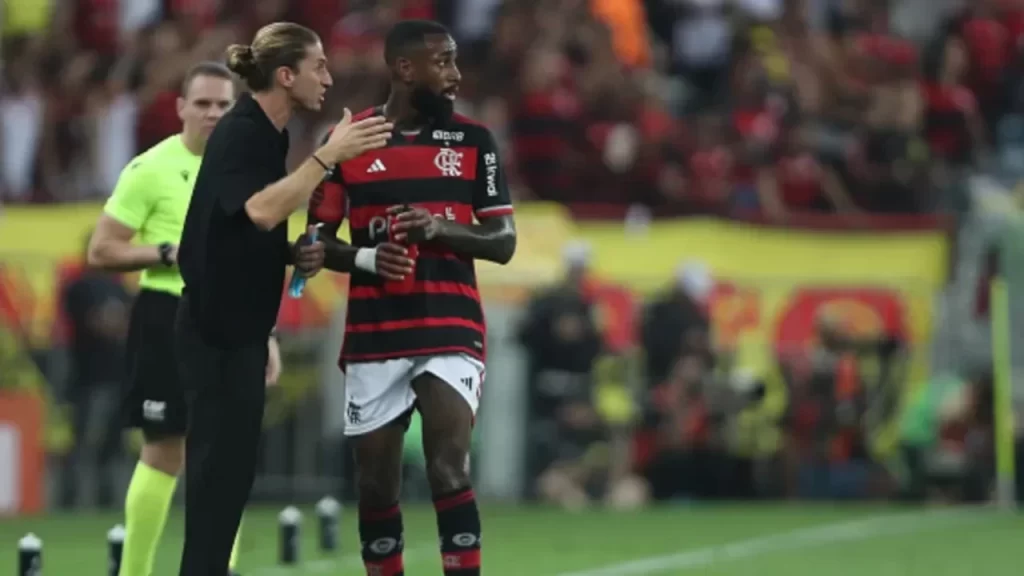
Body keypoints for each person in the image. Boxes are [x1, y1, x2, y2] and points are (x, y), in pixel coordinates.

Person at [174, 22, 392, 576]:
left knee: (228, 480)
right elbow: (259, 210)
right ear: (285, 74)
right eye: (318, 66)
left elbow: (242, 229)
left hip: (239, 331)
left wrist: (291, 255)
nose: (329, 76)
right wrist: (329, 155)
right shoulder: (243, 131)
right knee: (214, 479)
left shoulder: (268, 137)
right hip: (214, 332)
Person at [309, 20, 517, 576]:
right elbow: (316, 243)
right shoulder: (348, 141)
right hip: (375, 332)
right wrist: (367, 257)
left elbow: (503, 242)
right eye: (443, 62)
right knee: (376, 486)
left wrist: (439, 229)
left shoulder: (474, 141)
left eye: (454, 62)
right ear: (405, 69)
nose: (455, 74)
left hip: (451, 326)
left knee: (449, 469)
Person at [86, 62, 252, 576]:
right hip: (166, 311)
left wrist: (261, 333)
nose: (213, 113)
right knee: (164, 449)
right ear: (181, 108)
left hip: (228, 319)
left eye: (223, 105)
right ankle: (135, 570)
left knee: (225, 454)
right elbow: (101, 249)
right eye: (202, 103)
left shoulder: (246, 171)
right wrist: (164, 252)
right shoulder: (150, 169)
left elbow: (249, 258)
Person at [60, 233, 131, 511]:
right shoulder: (78, 288)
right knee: (86, 443)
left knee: (117, 444)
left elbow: (129, 322)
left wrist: (116, 323)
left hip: (120, 376)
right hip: (90, 379)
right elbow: (95, 324)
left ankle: (112, 503)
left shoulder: (119, 287)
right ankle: (79, 503)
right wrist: (115, 323)